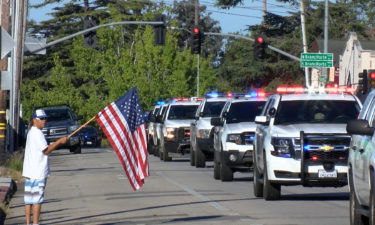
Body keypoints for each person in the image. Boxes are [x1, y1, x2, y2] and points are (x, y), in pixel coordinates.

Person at [22, 109, 69, 225]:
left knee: (29, 199)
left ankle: (28, 223)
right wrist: (59, 141)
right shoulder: (37, 133)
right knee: (37, 200)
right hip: (38, 172)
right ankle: (35, 223)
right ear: (34, 120)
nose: (44, 121)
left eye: (45, 118)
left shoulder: (31, 132)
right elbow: (46, 150)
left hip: (30, 171)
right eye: (41, 119)